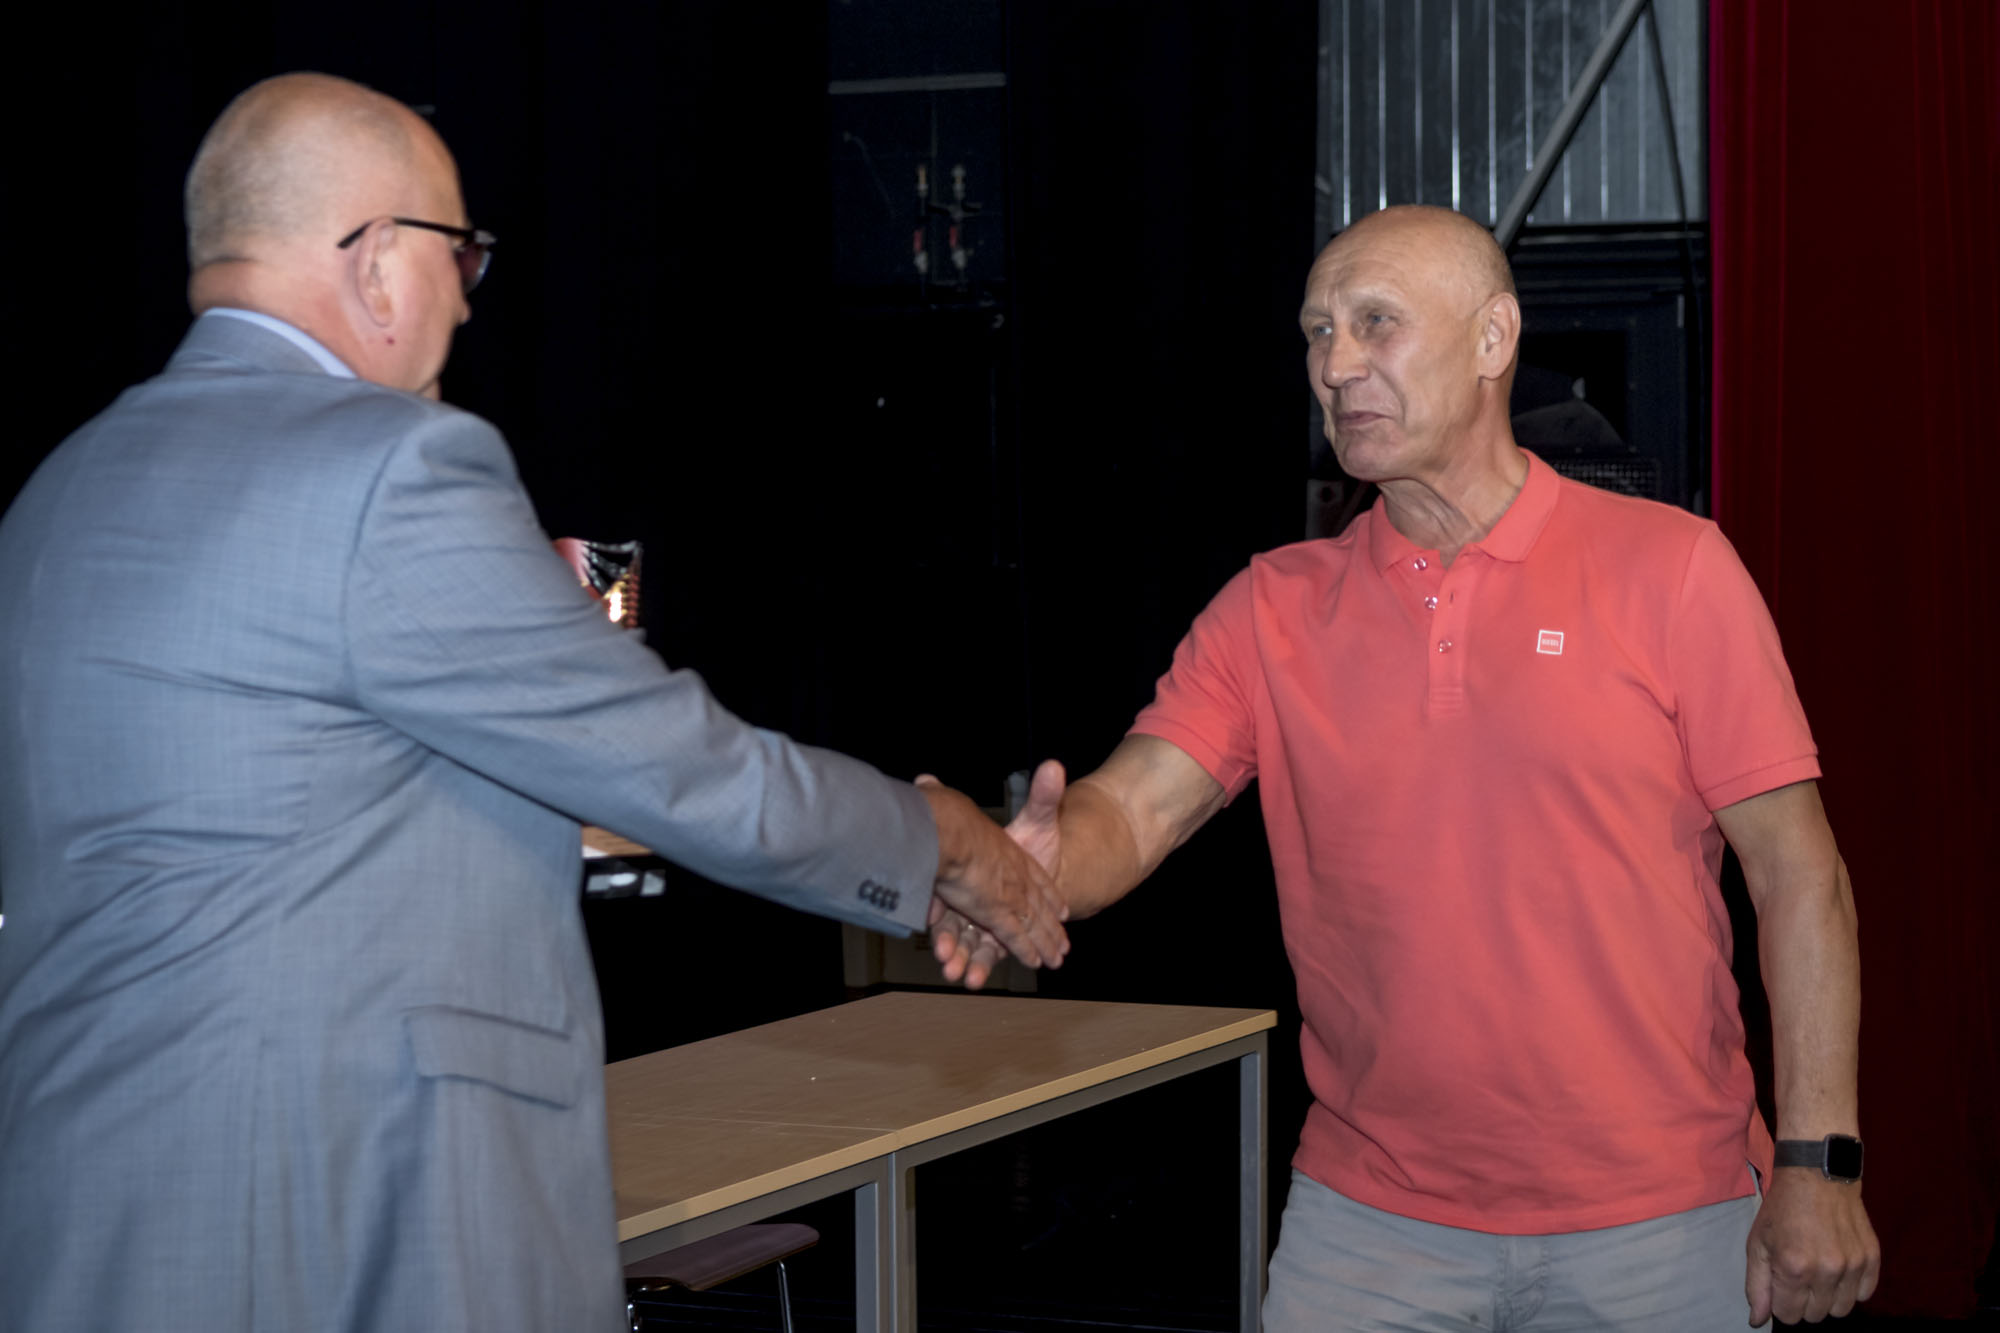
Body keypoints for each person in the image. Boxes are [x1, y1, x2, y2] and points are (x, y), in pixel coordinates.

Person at [0, 73, 1065, 1333]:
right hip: (338, 1216)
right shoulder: (386, 469)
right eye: (460, 254)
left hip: (89, 1215)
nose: (466, 296)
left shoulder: (60, 492)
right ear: (377, 259)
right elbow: (678, 766)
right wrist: (943, 840)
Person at [938, 205, 1879, 1329]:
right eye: (1316, 332)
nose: (1335, 365)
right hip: (1369, 1227)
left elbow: (1798, 876)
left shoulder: (1672, 569)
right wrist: (1021, 867)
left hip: (1660, 1219)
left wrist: (1818, 1161)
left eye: (1374, 324)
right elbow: (1132, 811)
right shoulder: (1271, 607)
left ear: (1492, 338)